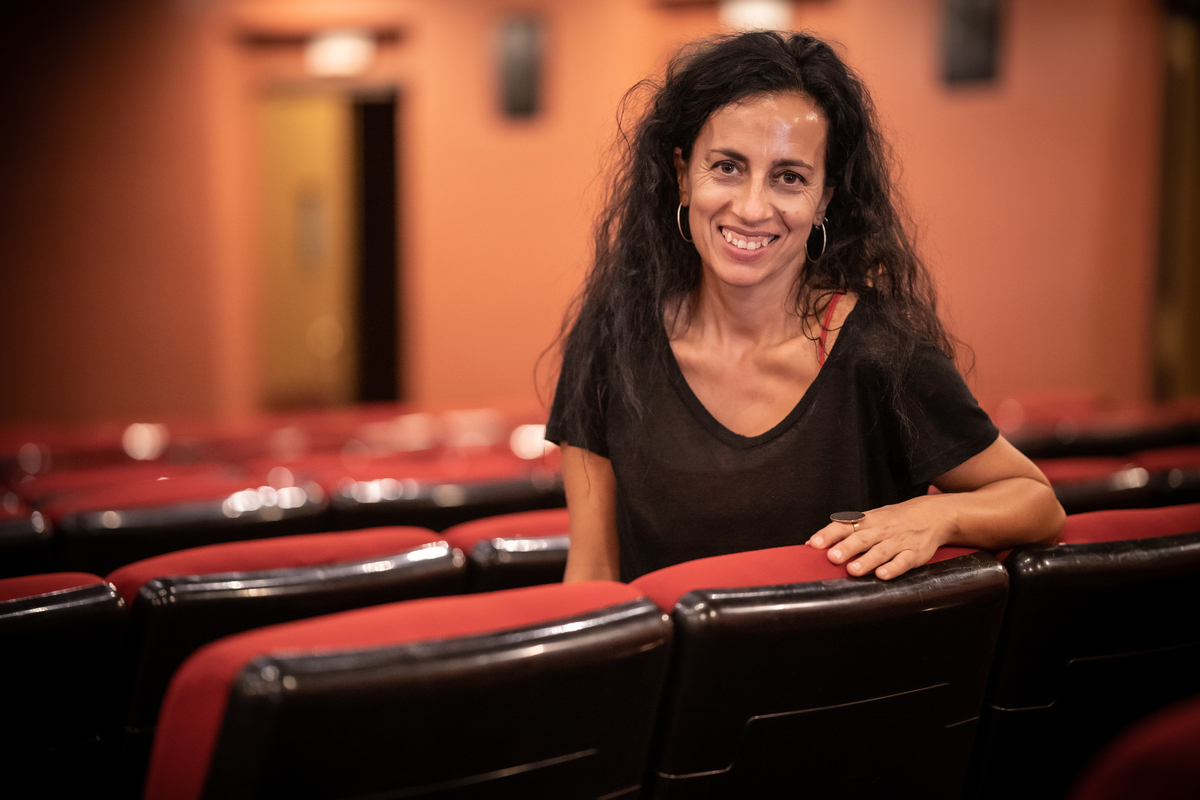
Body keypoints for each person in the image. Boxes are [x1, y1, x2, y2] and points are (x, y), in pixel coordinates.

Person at [545, 30, 1064, 584]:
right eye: (727, 167)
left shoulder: (882, 353)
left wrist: (935, 515)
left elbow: (1037, 501)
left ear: (823, 202)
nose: (752, 208)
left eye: (789, 178)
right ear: (682, 176)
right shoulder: (612, 342)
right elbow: (593, 571)